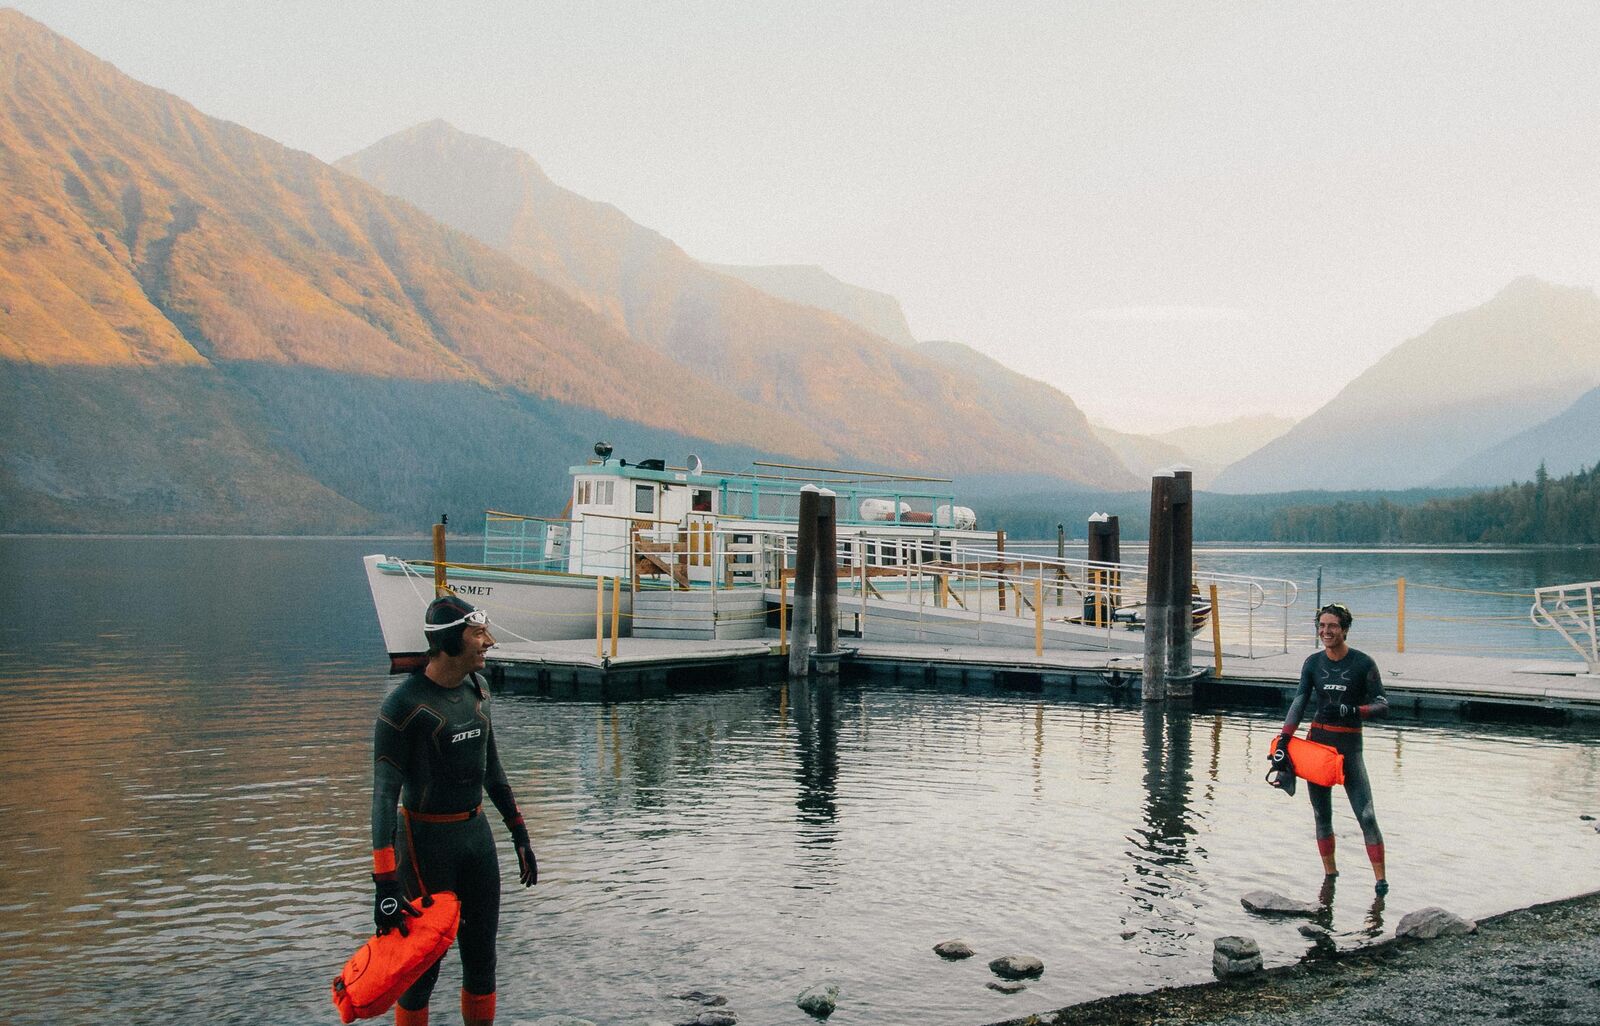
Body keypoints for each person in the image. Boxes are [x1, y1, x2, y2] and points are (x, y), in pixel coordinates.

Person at [370, 594, 537, 1026]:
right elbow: (384, 796)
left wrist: (519, 832)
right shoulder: (402, 708)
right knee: (421, 970)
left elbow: (492, 768)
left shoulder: (478, 689)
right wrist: (385, 882)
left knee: (482, 961)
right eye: (479, 634)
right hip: (425, 846)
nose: (490, 642)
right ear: (449, 641)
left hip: (476, 839)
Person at [1280, 602, 1390, 895]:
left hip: (1349, 748)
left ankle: (1380, 882)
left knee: (1366, 815)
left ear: (1345, 629)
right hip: (1318, 748)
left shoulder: (1363, 664)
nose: (1326, 631)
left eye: (1333, 626)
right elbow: (1299, 702)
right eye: (1322, 626)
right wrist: (1283, 740)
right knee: (1321, 816)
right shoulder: (1313, 663)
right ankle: (1330, 877)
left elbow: (1382, 705)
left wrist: (1350, 710)